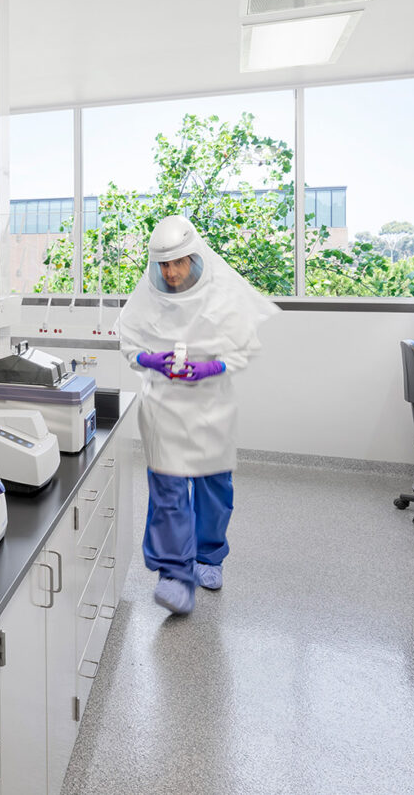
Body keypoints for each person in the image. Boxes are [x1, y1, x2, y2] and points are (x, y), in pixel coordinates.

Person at [117, 216, 277, 615]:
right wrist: (148, 359)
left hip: (210, 406)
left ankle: (208, 558)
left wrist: (211, 367)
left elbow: (243, 349)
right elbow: (127, 344)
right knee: (168, 491)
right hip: (163, 405)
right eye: (162, 265)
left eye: (177, 263)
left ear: (194, 257)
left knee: (213, 489)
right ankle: (174, 574)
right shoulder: (148, 295)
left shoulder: (221, 295)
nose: (169, 273)